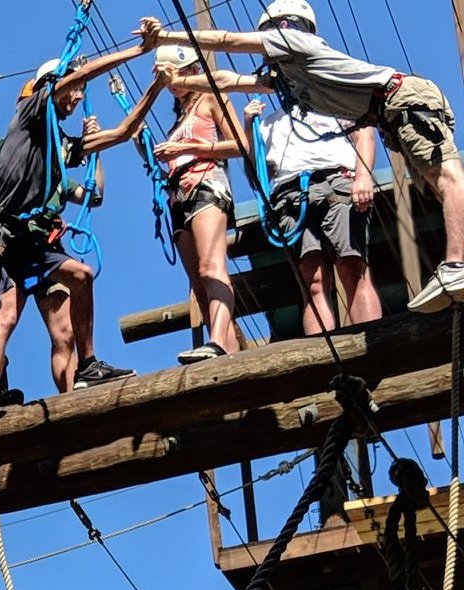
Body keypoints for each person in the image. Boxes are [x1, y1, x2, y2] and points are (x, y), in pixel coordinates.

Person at [141, 0, 464, 312]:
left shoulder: (294, 42)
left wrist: (168, 36)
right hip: (389, 112)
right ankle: (457, 262)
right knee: (436, 184)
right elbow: (229, 80)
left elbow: (227, 39)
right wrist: (178, 80)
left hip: (399, 99)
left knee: (446, 177)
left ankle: (458, 262)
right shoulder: (289, 77)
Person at [0, 31, 166, 428]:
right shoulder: (31, 113)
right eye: (73, 91)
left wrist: (156, 87)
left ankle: (88, 364)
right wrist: (136, 51)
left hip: (27, 240)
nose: (78, 98)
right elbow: (76, 78)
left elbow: (122, 134)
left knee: (81, 274)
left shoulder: (58, 147)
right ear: (50, 88)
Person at [245, 96, 382, 332]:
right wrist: (249, 130)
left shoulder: (333, 100)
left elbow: (364, 136)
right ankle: (324, 360)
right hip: (290, 196)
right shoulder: (268, 123)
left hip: (335, 181)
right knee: (313, 280)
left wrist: (363, 176)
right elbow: (257, 177)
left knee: (352, 267)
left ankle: (373, 346)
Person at [153, 43, 247, 364]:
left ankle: (218, 342)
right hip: (178, 196)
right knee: (198, 283)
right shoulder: (177, 120)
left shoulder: (211, 98)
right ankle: (223, 351)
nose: (173, 84)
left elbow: (240, 144)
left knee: (211, 268)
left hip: (207, 184)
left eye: (177, 75)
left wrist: (190, 146)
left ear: (192, 70)